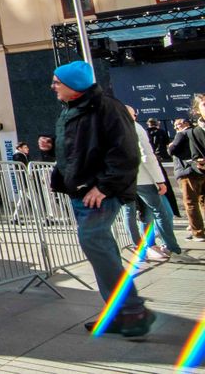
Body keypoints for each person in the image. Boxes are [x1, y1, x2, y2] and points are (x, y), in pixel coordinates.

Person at [49, 60, 154, 337]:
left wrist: (104, 187)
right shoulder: (72, 109)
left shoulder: (107, 107)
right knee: (100, 247)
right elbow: (79, 150)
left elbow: (126, 153)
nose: (53, 86)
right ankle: (119, 312)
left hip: (98, 194)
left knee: (94, 241)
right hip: (83, 192)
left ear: (73, 85)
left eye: (57, 82)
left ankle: (132, 311)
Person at [122, 106, 193, 263]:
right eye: (135, 114)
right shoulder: (135, 127)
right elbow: (146, 154)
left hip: (124, 180)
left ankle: (139, 249)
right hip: (144, 178)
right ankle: (172, 249)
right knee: (160, 212)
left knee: (130, 213)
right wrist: (159, 180)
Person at [169, 103, 205, 243]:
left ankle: (198, 232)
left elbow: (172, 151)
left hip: (187, 172)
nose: (175, 128)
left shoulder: (182, 133)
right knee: (202, 201)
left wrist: (171, 145)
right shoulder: (198, 131)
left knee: (190, 203)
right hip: (200, 170)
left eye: (177, 125)